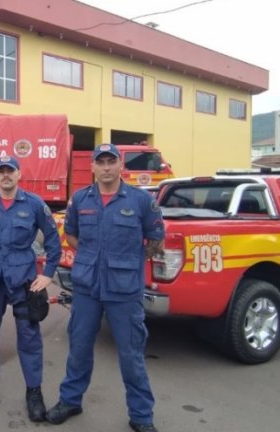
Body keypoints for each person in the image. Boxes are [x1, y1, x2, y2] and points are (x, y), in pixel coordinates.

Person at [45, 144, 164, 432]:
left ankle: (141, 416)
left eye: (112, 162)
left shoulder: (140, 201)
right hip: (87, 288)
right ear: (94, 167)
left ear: (120, 166)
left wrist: (133, 260)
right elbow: (71, 234)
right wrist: (89, 256)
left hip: (124, 290)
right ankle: (71, 400)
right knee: (79, 348)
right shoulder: (80, 199)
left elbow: (156, 239)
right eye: (102, 162)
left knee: (131, 354)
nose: (107, 167)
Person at [0, 155, 61, 422]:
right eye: (1, 171)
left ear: (19, 174)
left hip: (23, 281)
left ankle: (33, 392)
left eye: (11, 171)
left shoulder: (34, 204)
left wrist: (48, 275)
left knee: (29, 339)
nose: (6, 175)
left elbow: (53, 241)